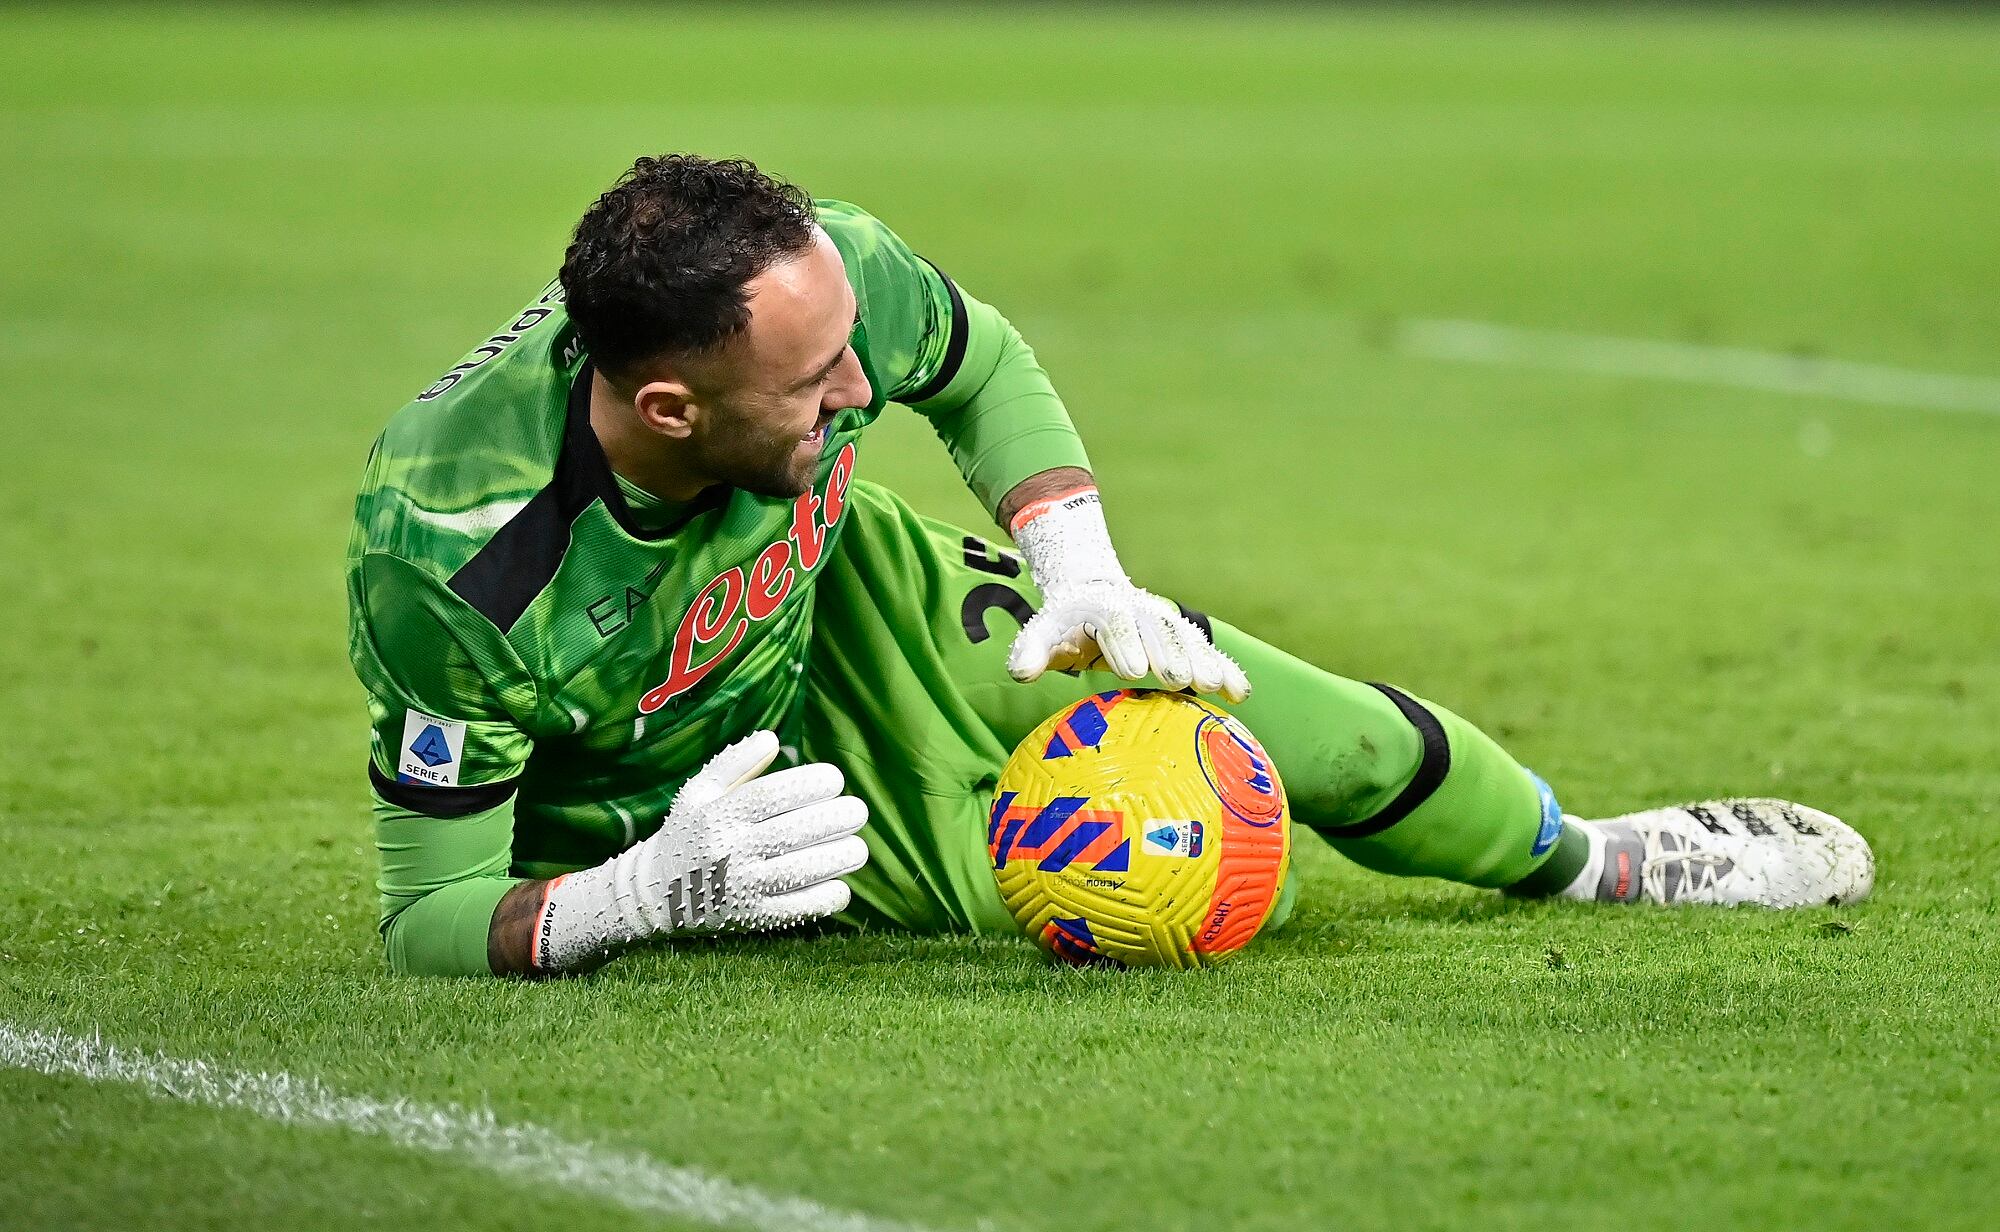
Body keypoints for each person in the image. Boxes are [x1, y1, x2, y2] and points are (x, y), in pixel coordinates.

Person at [347, 155, 1872, 977]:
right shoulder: (455, 565)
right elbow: (427, 921)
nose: (859, 396)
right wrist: (633, 899)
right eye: (813, 389)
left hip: (852, 598)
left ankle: (1592, 856)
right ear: (668, 407)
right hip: (723, 806)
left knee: (1279, 722)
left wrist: (1075, 564)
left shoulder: (820, 275)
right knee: (1158, 885)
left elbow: (978, 361)